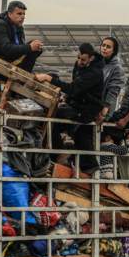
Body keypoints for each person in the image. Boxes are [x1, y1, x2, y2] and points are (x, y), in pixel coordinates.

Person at [35, 43, 105, 174]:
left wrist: (48, 78)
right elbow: (76, 89)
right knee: (73, 130)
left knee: (56, 118)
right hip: (78, 104)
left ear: (91, 58)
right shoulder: (79, 66)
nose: (79, 62)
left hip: (87, 109)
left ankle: (54, 155)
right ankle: (60, 155)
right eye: (78, 58)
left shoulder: (95, 73)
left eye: (83, 59)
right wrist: (66, 98)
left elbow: (73, 88)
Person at [0, 0, 43, 72]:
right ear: (9, 14)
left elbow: (20, 48)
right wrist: (29, 47)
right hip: (0, 65)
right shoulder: (0, 26)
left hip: (12, 63)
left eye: (24, 14)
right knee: (31, 46)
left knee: (36, 45)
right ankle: (23, 76)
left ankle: (26, 74)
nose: (23, 17)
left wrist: (32, 47)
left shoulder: (19, 28)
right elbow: (6, 49)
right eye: (19, 14)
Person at [100, 37, 125, 120]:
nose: (104, 48)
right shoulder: (97, 64)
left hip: (103, 111)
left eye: (108, 47)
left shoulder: (117, 68)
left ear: (113, 51)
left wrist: (104, 111)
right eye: (103, 45)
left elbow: (113, 91)